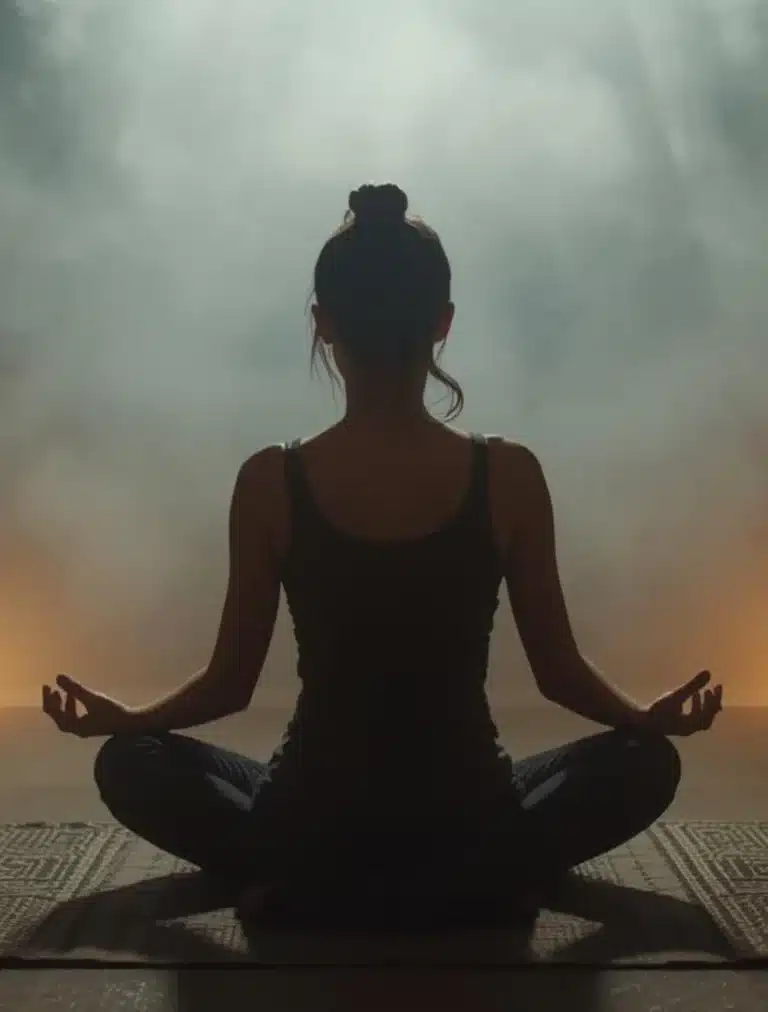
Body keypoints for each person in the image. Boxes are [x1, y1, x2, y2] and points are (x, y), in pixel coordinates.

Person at [42, 183, 723, 930]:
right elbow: (558, 672)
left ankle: (299, 877)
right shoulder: (510, 475)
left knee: (130, 761)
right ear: (443, 323)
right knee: (644, 760)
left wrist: (127, 718)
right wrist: (644, 718)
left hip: (310, 826)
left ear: (323, 323)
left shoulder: (271, 479)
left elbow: (229, 685)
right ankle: (485, 879)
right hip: (470, 825)